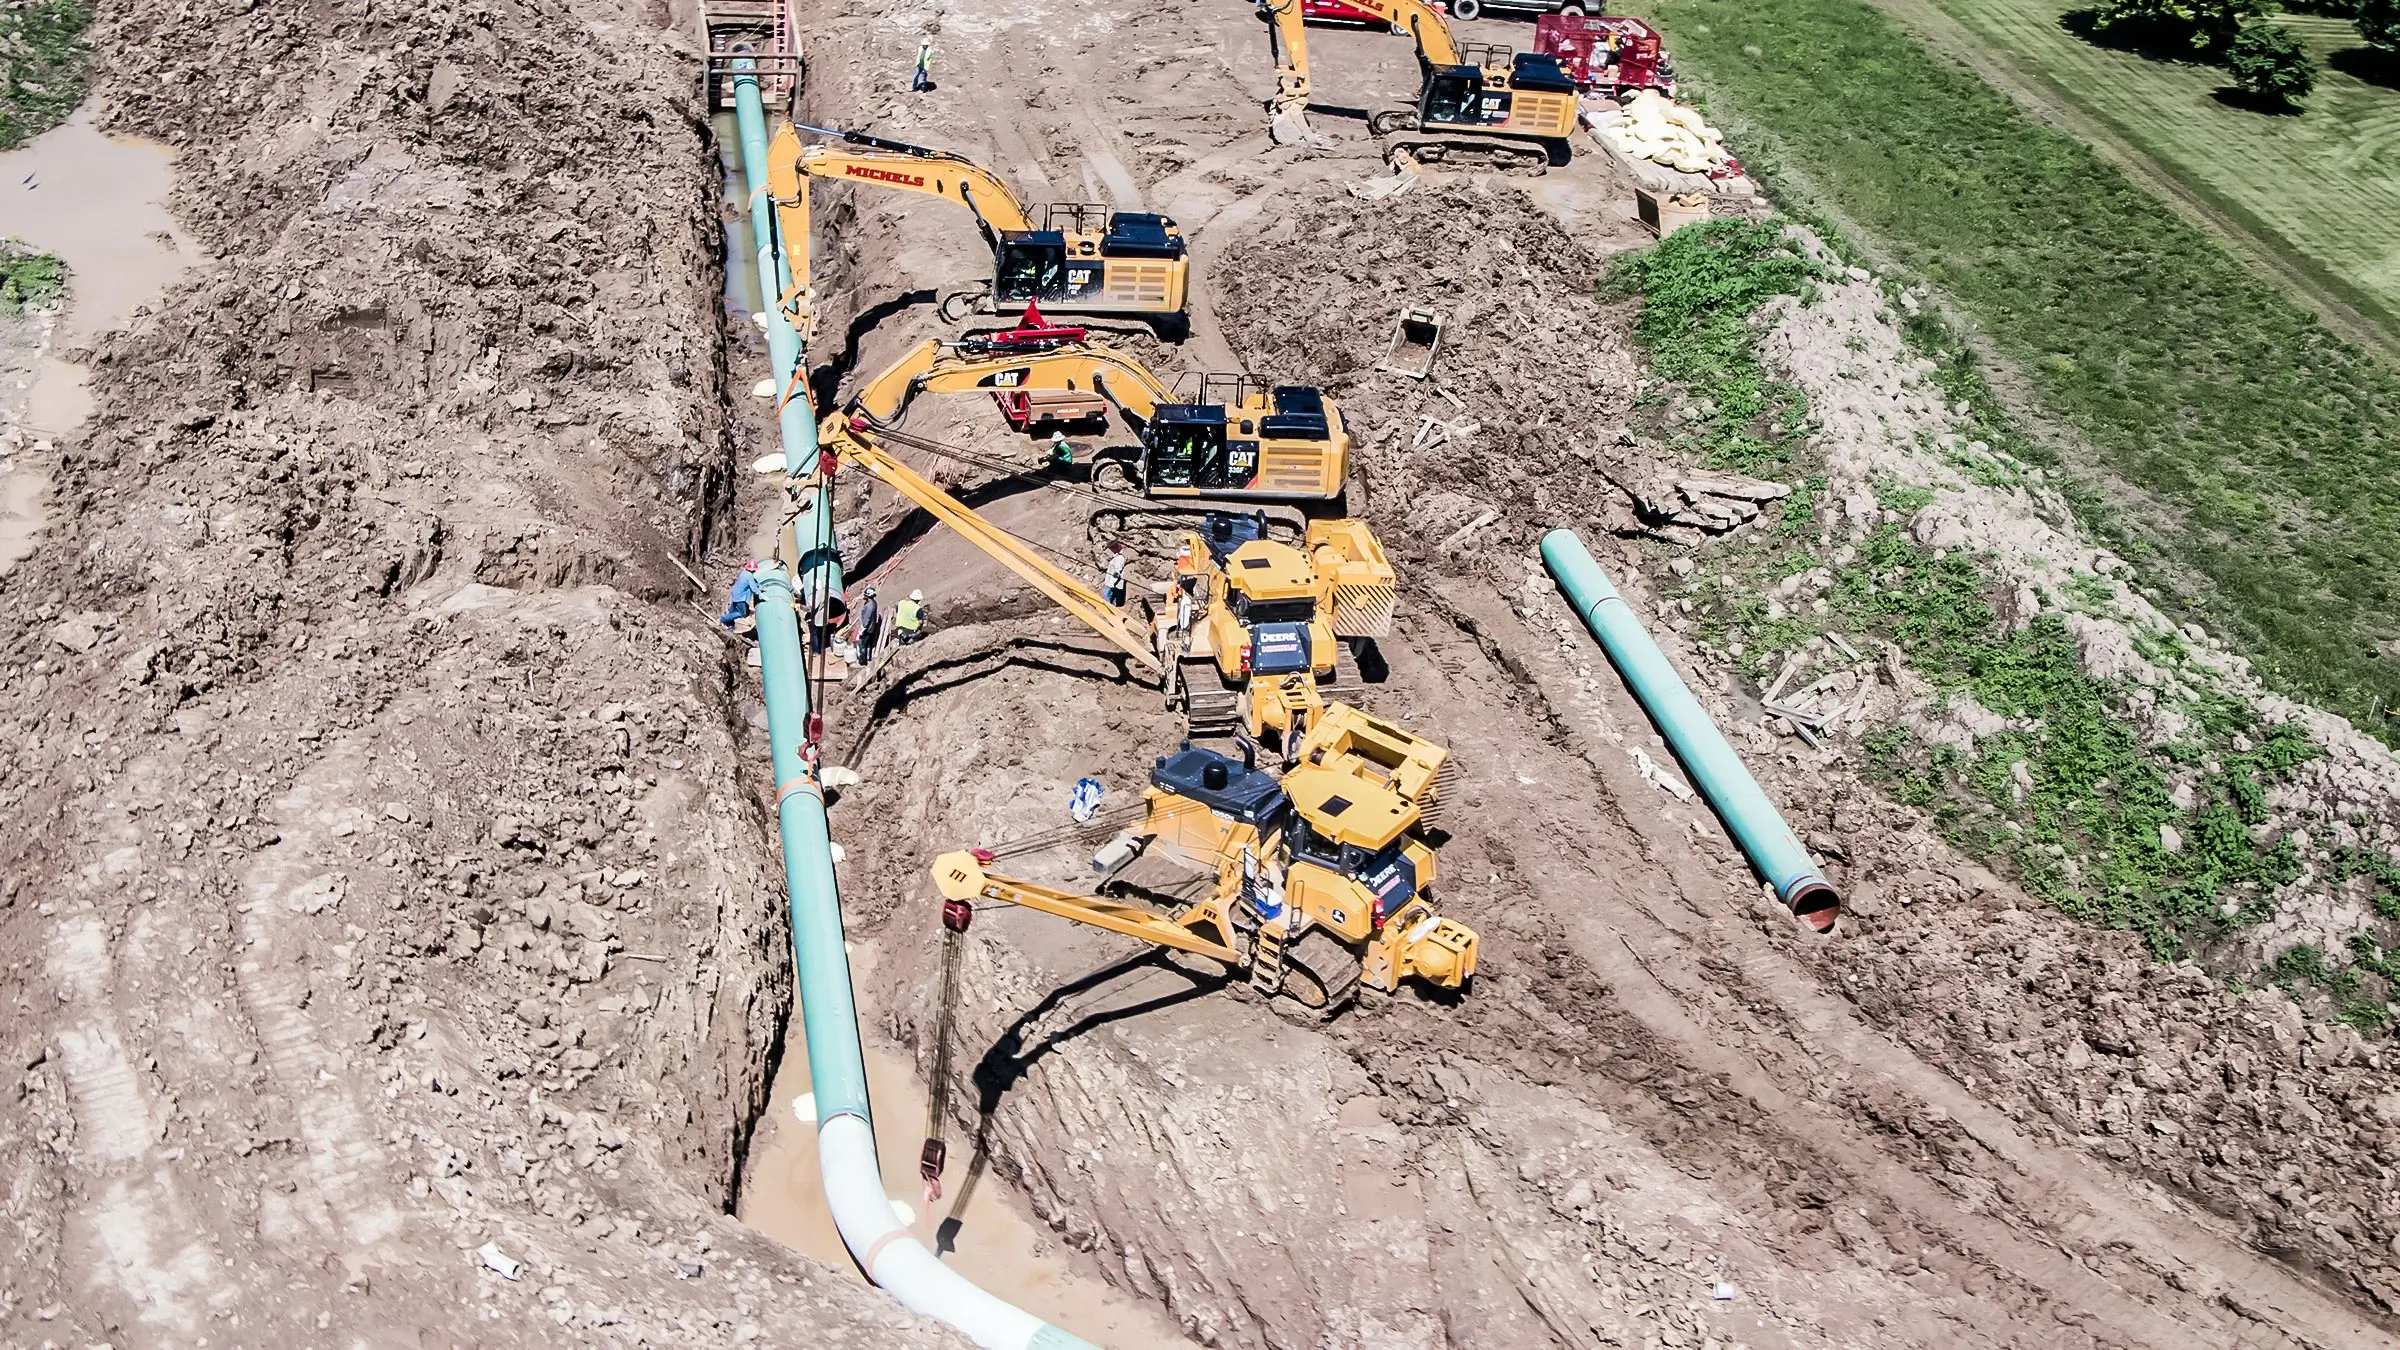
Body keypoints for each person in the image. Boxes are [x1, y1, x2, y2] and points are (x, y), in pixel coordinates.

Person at [717, 560, 761, 627]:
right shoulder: (749, 576)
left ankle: (730, 626)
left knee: (732, 611)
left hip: (734, 594)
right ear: (753, 570)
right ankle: (722, 619)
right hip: (741, 598)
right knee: (742, 613)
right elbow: (754, 588)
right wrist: (761, 594)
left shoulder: (743, 573)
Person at [853, 586, 884, 668]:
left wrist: (862, 629)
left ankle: (862, 662)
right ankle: (867, 657)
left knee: (862, 644)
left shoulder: (869, 606)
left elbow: (867, 619)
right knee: (867, 644)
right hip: (871, 627)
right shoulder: (873, 603)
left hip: (867, 629)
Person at [1101, 540, 1129, 607]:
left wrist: (1113, 583)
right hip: (1112, 582)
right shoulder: (1116, 557)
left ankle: (1107, 610)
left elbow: (1117, 571)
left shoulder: (1119, 558)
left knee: (1106, 596)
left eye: (1113, 548)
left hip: (1113, 583)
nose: (1112, 550)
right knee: (1112, 598)